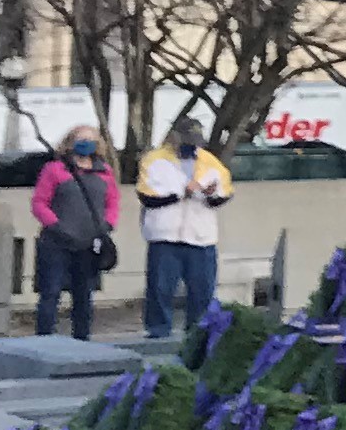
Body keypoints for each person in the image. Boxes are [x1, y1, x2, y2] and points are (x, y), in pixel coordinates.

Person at [137, 117, 231, 344]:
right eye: (187, 139)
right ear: (175, 137)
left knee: (202, 290)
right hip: (165, 236)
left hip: (201, 237)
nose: (192, 145)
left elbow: (225, 193)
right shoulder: (154, 160)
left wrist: (211, 194)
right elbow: (148, 196)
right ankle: (158, 330)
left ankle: (198, 334)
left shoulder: (211, 162)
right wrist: (182, 192)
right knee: (160, 288)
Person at [29, 126, 120, 340]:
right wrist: (56, 226)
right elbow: (39, 203)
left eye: (91, 139)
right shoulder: (55, 169)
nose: (86, 143)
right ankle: (44, 340)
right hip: (56, 243)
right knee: (50, 294)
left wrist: (107, 225)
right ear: (70, 142)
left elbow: (113, 202)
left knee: (84, 296)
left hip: (89, 244)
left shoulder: (104, 172)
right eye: (81, 139)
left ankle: (82, 339)